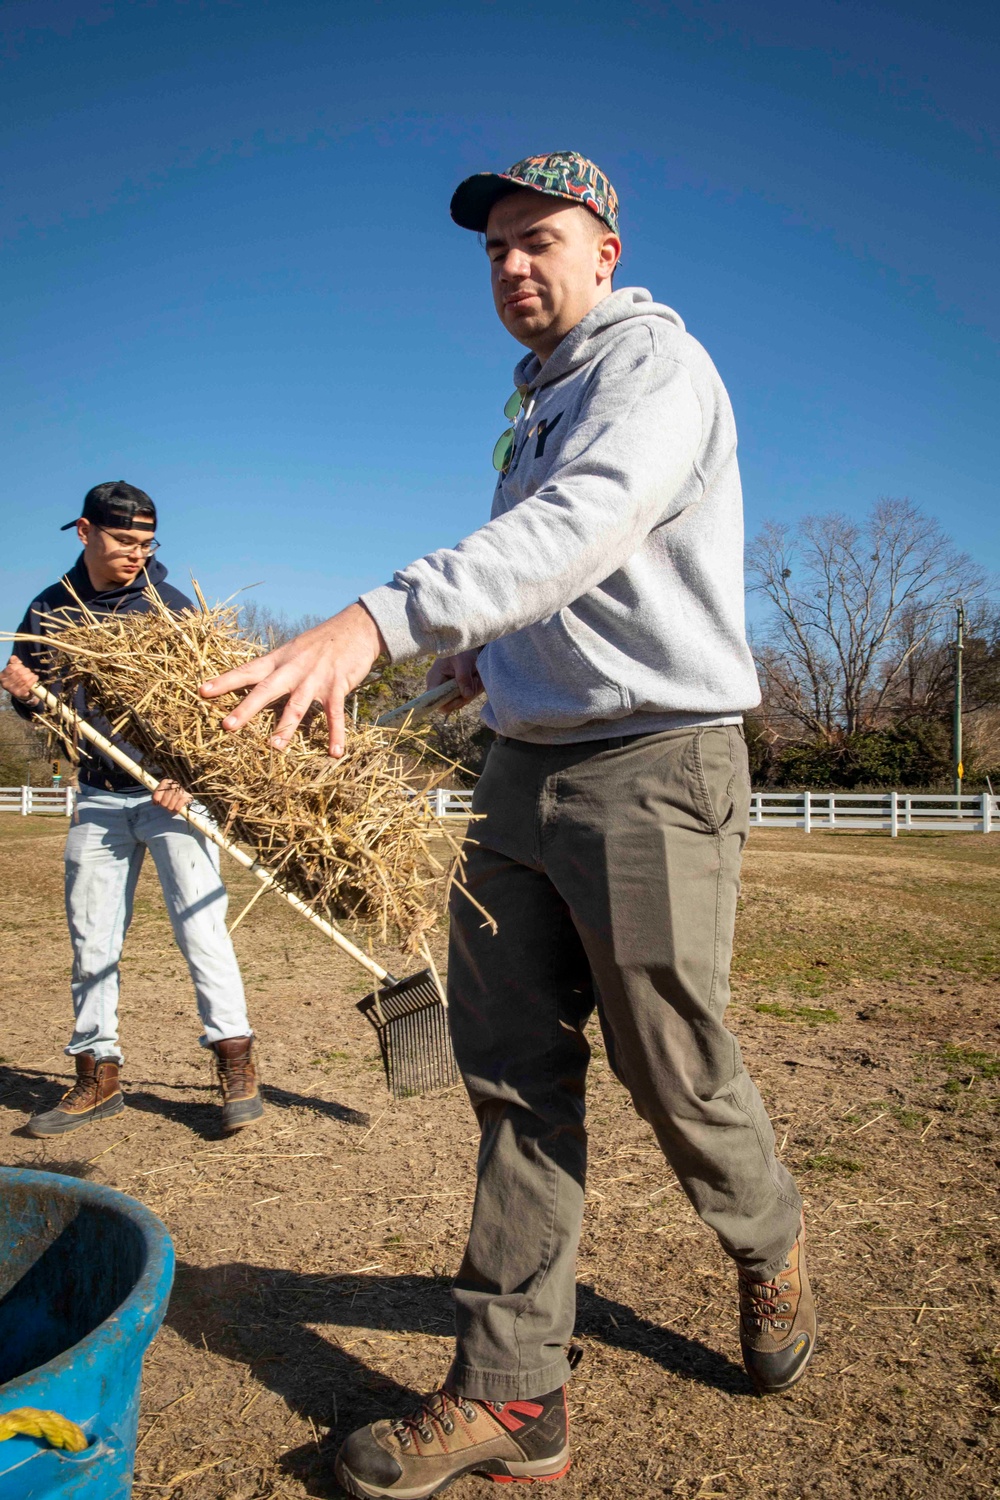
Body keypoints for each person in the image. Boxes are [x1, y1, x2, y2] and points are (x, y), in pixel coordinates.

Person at [200, 151, 815, 1495]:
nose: (515, 267)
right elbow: (555, 574)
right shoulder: (530, 405)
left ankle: (765, 1241)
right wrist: (481, 666)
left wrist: (376, 621)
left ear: (607, 245)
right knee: (513, 1077)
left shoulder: (658, 369)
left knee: (673, 1067)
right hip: (522, 775)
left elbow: (592, 524)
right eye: (494, 252)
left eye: (540, 240)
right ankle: (516, 1391)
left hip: (656, 762)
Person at [2, 481, 262, 1138]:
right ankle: (98, 1074)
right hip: (97, 797)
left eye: (147, 544)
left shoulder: (165, 608)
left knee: (202, 930)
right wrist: (25, 695)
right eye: (124, 541)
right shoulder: (49, 609)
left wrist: (188, 776)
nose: (136, 556)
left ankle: (235, 1062)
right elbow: (45, 710)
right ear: (85, 532)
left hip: (170, 798)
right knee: (92, 942)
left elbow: (209, 714)